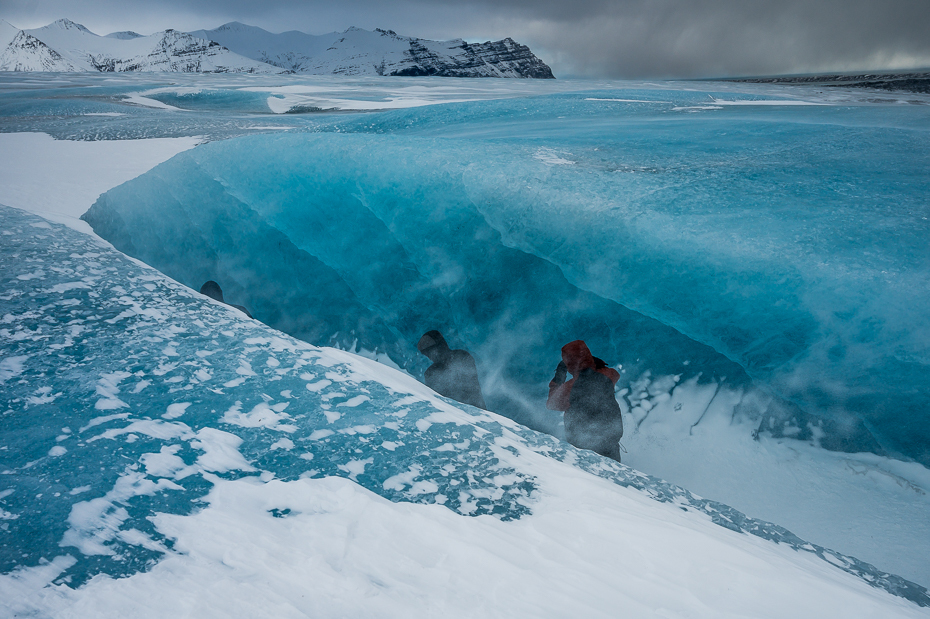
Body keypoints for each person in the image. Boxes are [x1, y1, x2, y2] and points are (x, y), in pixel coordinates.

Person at [547, 340, 623, 461]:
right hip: (610, 441)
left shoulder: (572, 386)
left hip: (585, 447)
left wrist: (559, 375)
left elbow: (552, 404)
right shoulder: (607, 376)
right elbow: (615, 374)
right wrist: (596, 364)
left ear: (570, 364)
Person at [417, 330, 486, 409]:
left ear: (440, 345)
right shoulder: (430, 372)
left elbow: (471, 388)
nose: (429, 356)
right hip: (453, 414)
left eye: (430, 352)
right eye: (426, 354)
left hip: (473, 412)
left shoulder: (461, 357)